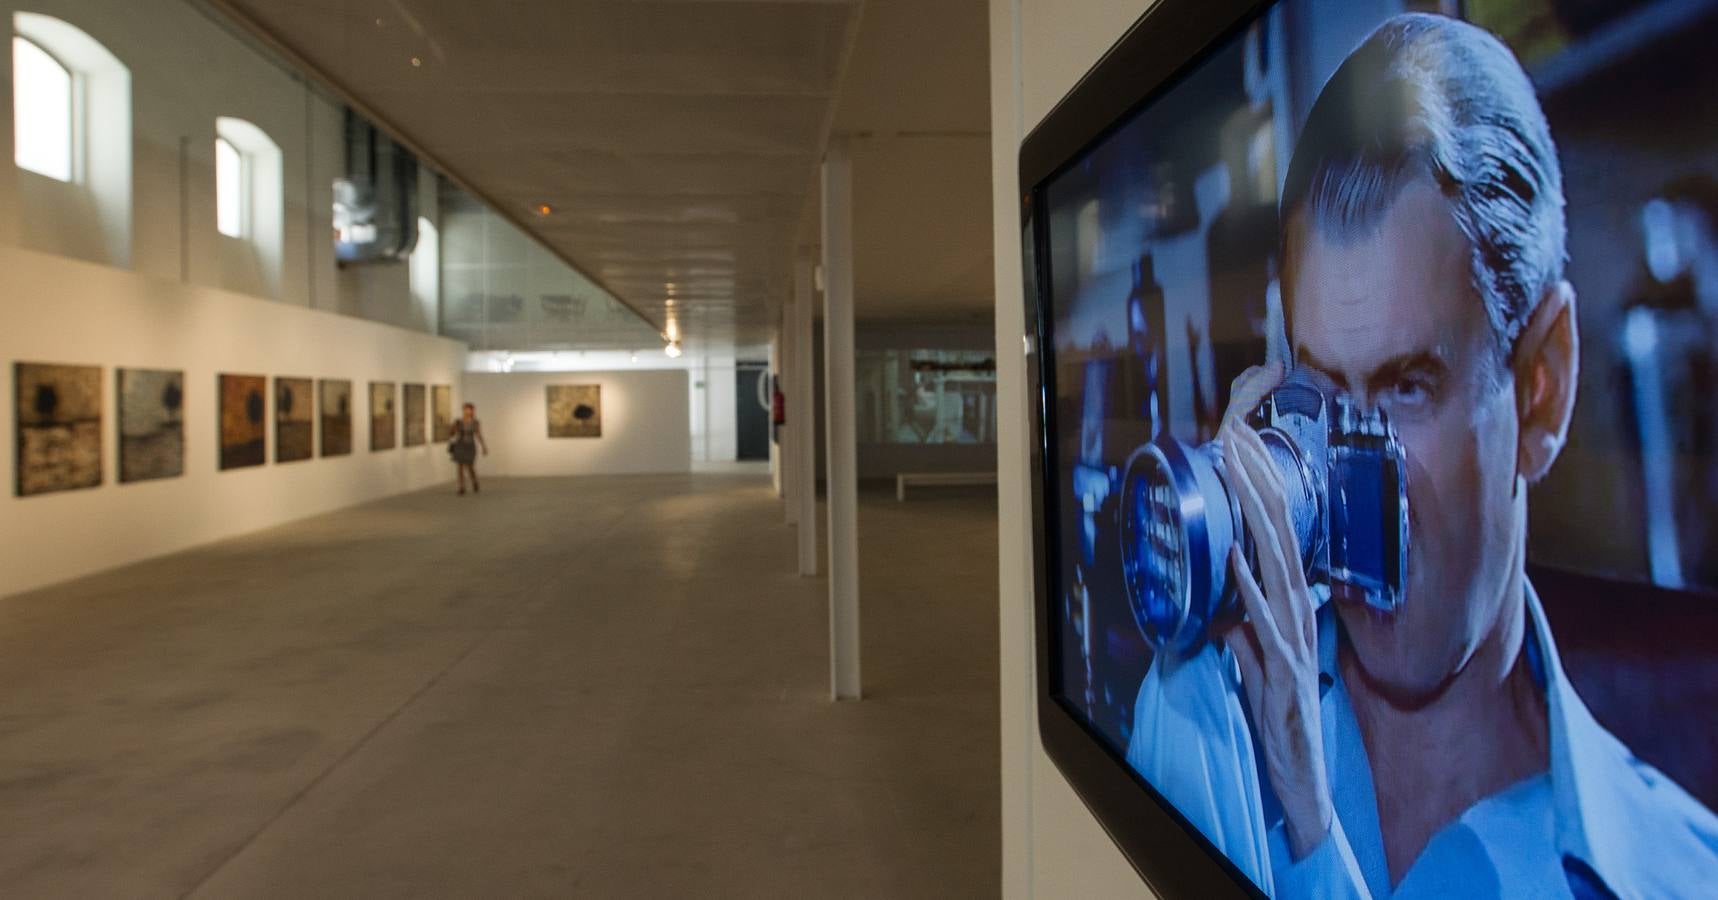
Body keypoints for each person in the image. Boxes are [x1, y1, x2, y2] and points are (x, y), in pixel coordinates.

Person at [1125, 13, 1718, 898]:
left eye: (1409, 387)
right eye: (1321, 395)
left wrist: (1307, 832)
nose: (1347, 485)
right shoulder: (1200, 712)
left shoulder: (1678, 873)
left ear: (1541, 387)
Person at [449, 402, 486, 495]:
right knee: (460, 467)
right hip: (460, 445)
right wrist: (453, 427)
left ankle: (474, 482)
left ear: (472, 411)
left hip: (470, 446)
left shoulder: (475, 422)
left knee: (470, 467)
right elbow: (452, 434)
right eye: (466, 409)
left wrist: (483, 446)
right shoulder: (458, 421)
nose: (467, 411)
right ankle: (461, 486)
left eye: (469, 409)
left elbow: (478, 434)